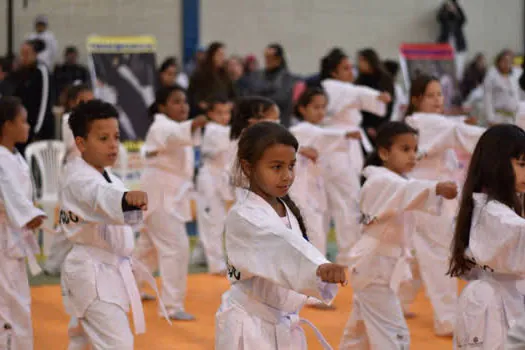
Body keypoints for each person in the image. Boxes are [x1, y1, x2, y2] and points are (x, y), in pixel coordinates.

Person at [215, 121, 347, 349]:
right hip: (250, 327)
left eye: (291, 166)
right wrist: (317, 266)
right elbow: (279, 244)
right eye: (276, 167)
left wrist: (317, 266)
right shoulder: (244, 216)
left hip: (282, 323)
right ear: (248, 167)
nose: (287, 176)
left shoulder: (285, 208)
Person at [339, 122, 458, 349]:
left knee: (360, 333)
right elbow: (405, 190)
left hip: (378, 267)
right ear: (384, 152)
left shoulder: (393, 181)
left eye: (415, 150)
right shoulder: (380, 181)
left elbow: (407, 189)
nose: (413, 155)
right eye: (405, 149)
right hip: (375, 268)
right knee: (395, 334)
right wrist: (436, 188)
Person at [60, 99, 167, 349]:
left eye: (116, 137)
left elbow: (125, 216)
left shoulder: (108, 176)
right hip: (93, 273)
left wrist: (129, 202)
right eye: (103, 138)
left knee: (84, 342)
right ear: (81, 143)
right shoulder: (79, 178)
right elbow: (99, 196)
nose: (113, 145)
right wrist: (126, 198)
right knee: (117, 344)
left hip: (106, 270)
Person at [403, 74, 485, 336]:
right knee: (439, 255)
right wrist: (500, 139)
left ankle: (398, 302)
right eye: (431, 95)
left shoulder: (416, 122)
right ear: (416, 99)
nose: (438, 100)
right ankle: (447, 319)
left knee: (417, 254)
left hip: (421, 195)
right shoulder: (429, 122)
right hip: (431, 198)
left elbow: (452, 127)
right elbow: (455, 130)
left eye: (440, 94)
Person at [134, 85, 208, 320]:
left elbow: (180, 137)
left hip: (164, 195)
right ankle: (172, 306)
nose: (183, 105)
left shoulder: (171, 127)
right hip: (161, 197)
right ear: (162, 106)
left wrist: (193, 125)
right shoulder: (162, 126)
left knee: (147, 249)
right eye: (176, 101)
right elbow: (176, 136)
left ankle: (127, 290)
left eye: (185, 101)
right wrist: (196, 123)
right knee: (175, 248)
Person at [448, 124, 525, 349]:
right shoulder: (493, 212)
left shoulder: (497, 206)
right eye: (522, 164)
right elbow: (516, 230)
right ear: (497, 164)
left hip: (506, 298)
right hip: (490, 306)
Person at [319, 48, 391, 265]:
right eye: (345, 68)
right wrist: (376, 96)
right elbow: (358, 94)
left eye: (351, 67)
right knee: (343, 205)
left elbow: (359, 95)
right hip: (337, 148)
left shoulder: (345, 89)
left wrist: (376, 97)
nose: (351, 71)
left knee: (341, 205)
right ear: (333, 72)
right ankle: (345, 257)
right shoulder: (330, 87)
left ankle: (338, 257)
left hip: (345, 146)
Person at [289, 88, 361, 257]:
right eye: (316, 107)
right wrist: (345, 133)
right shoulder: (301, 129)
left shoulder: (314, 130)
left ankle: (315, 271)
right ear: (302, 109)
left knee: (317, 232)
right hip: (301, 191)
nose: (321, 112)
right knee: (312, 233)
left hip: (315, 189)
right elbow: (323, 136)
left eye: (323, 107)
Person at [0, 96, 47, 349]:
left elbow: (18, 198)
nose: (28, 127)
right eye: (23, 121)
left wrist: (29, 212)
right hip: (4, 238)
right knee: (7, 305)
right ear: (7, 125)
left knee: (17, 301)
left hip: (14, 236)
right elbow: (10, 196)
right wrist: (30, 215)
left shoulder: (14, 156)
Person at [42, 84, 94, 276]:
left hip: (92, 175)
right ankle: (53, 263)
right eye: (83, 101)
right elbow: (75, 145)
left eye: (91, 100)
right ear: (73, 102)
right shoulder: (68, 120)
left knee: (89, 219)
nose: (88, 104)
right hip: (74, 174)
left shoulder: (97, 121)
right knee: (69, 218)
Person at [195, 96, 233, 275]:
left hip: (221, 177)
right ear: (210, 114)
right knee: (213, 221)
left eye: (227, 112)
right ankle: (215, 264)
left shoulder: (225, 130)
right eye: (219, 113)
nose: (224, 116)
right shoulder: (212, 129)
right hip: (208, 178)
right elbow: (231, 139)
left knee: (219, 221)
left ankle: (205, 256)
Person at [11, 40, 55, 155]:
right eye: (22, 53)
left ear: (35, 54)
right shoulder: (21, 73)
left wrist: (36, 130)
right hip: (23, 129)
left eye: (27, 53)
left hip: (39, 130)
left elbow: (44, 103)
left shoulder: (41, 70)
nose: (23, 57)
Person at [246, 43, 300, 127]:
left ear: (278, 59)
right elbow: (251, 96)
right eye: (266, 57)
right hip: (259, 121)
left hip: (281, 122)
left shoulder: (287, 78)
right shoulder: (257, 75)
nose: (267, 60)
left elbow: (281, 98)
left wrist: (262, 95)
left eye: (271, 57)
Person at [355, 48, 395, 140]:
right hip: (364, 125)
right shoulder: (359, 81)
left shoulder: (385, 79)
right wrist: (364, 127)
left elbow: (389, 105)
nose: (359, 64)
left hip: (381, 123)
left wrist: (381, 127)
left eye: (362, 60)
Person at [187, 42, 236, 117]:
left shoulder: (225, 75)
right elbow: (192, 95)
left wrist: (230, 104)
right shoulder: (200, 74)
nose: (222, 58)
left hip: (224, 112)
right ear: (211, 56)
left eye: (223, 55)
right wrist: (201, 104)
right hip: (206, 113)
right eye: (219, 55)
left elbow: (233, 95)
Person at [483, 49, 519, 125]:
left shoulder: (515, 76)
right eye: (504, 61)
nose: (506, 64)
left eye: (509, 61)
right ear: (498, 62)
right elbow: (487, 97)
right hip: (498, 116)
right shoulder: (491, 76)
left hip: (513, 117)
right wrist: (490, 118)